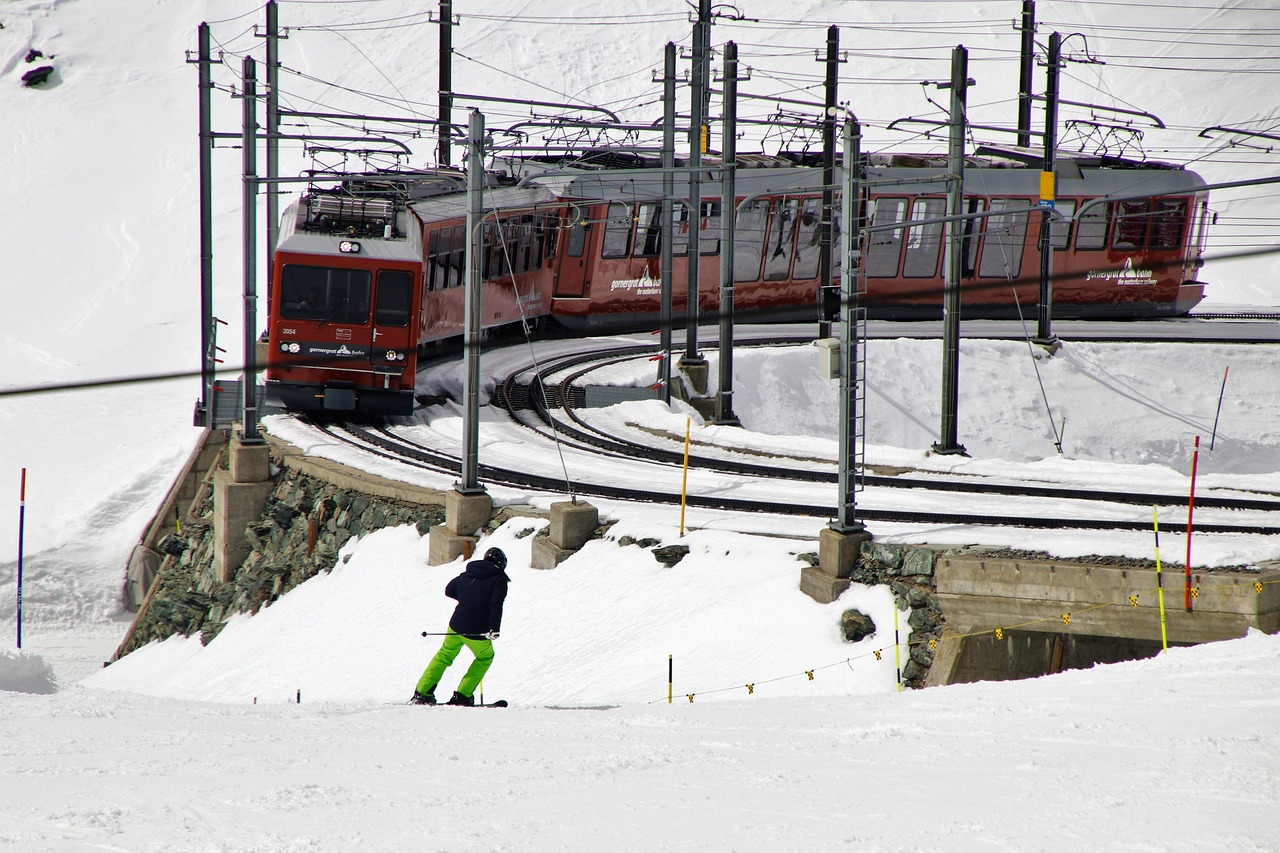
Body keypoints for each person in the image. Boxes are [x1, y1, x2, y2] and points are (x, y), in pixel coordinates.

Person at [412, 547, 510, 707]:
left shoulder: (468, 573)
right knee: (485, 658)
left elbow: (449, 590)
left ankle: (422, 693)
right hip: (477, 630)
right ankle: (463, 695)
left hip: (456, 625)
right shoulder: (498, 580)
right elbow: (496, 604)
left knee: (444, 655)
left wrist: (467, 599)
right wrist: (494, 628)